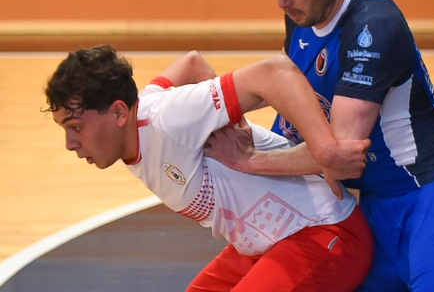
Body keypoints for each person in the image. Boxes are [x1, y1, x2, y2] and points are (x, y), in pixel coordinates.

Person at [204, 0, 434, 292]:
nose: (282, 0)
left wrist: (249, 160)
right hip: (373, 203)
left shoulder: (374, 27)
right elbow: (298, 107)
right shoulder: (301, 18)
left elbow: (339, 154)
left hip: (433, 196)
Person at [43, 45, 373, 292]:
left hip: (325, 233)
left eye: (76, 127)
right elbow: (192, 62)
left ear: (118, 113)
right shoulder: (145, 110)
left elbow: (276, 72)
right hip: (267, 244)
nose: (70, 143)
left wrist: (325, 152)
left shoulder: (170, 117)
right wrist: (228, 122)